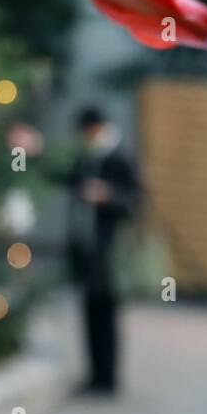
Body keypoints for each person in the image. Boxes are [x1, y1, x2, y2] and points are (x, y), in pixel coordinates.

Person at [68, 106, 137, 393]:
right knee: (90, 312)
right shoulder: (89, 158)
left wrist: (106, 196)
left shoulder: (119, 157)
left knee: (107, 314)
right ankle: (95, 374)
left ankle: (107, 377)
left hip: (110, 252)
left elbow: (134, 202)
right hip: (89, 248)